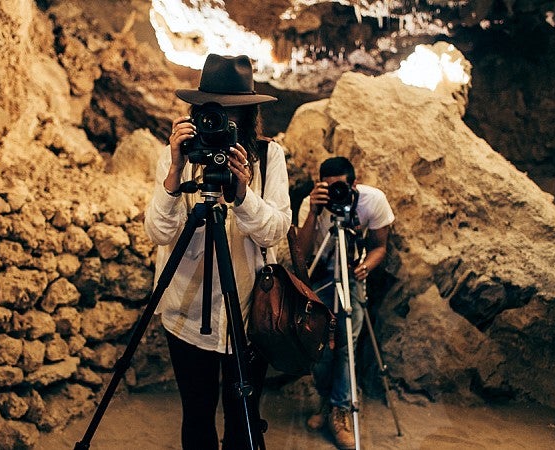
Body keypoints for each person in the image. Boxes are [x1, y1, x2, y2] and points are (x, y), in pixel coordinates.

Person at [144, 53, 292, 450]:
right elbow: (158, 232)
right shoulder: (180, 154)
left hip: (248, 314)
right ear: (197, 111)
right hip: (187, 314)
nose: (223, 120)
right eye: (214, 111)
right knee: (196, 414)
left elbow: (276, 230)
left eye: (233, 112)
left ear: (247, 115)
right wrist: (174, 175)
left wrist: (243, 195)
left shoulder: (267, 156)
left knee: (243, 417)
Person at [296, 156, 394, 450]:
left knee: (347, 343)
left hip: (352, 272)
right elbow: (300, 253)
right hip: (322, 274)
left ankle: (340, 411)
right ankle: (328, 402)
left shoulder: (372, 201)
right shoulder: (312, 203)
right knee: (321, 344)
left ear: (354, 183)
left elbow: (380, 247)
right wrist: (314, 212)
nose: (334, 194)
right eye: (328, 188)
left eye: (340, 187)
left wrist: (368, 266)